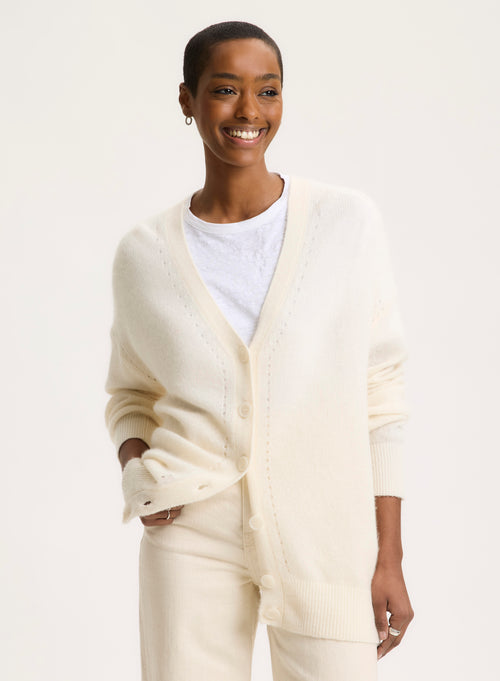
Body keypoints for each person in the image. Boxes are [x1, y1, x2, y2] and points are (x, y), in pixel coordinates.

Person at [104, 20, 414, 681]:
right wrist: (138, 474)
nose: (249, 111)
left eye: (267, 91)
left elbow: (382, 395)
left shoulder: (345, 224)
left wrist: (389, 555)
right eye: (225, 90)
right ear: (187, 100)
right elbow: (129, 394)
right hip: (188, 533)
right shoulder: (144, 255)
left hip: (325, 535)